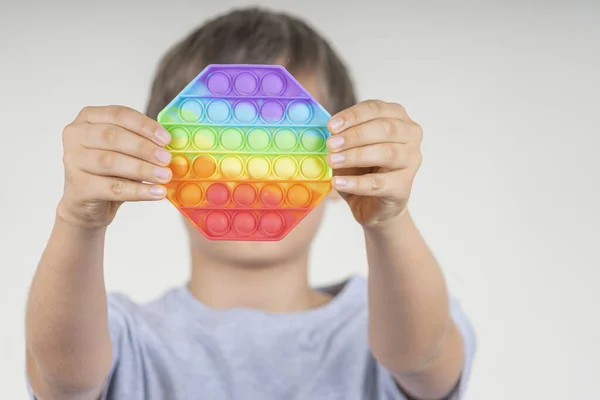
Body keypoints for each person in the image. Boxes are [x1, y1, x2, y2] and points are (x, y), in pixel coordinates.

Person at [24, 7, 476, 400]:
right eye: (216, 142)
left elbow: (421, 356)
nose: (252, 171)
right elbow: (63, 379)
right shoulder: (124, 334)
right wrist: (77, 221)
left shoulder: (382, 314)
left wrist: (389, 220)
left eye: (287, 142)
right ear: (160, 158)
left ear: (345, 163)